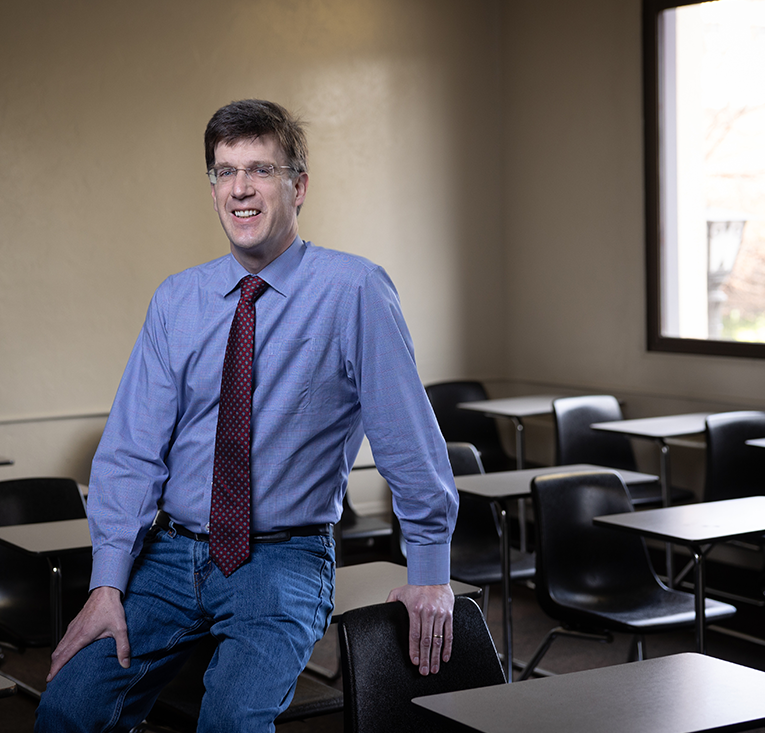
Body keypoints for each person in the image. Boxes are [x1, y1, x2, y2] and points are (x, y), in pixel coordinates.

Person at [35, 99, 458, 732]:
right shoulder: (178, 299)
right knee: (69, 705)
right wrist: (106, 584)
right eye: (224, 171)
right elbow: (131, 451)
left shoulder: (355, 291)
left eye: (260, 169)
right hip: (169, 557)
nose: (240, 188)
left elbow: (408, 438)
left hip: (282, 560)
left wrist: (430, 569)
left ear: (298, 186)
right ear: (212, 189)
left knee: (231, 724)